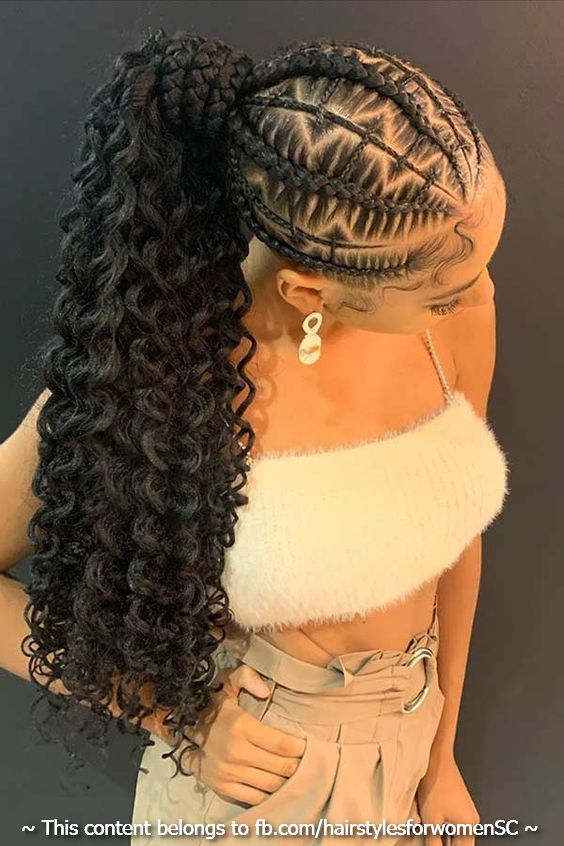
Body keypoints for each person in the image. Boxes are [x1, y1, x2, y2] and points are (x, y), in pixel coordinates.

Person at [0, 31, 510, 846]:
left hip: (410, 740)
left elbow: (456, 539)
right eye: (443, 291)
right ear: (311, 292)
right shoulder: (152, 381)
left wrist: (440, 755)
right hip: (261, 786)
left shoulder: (457, 309)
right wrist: (173, 716)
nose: (477, 289)